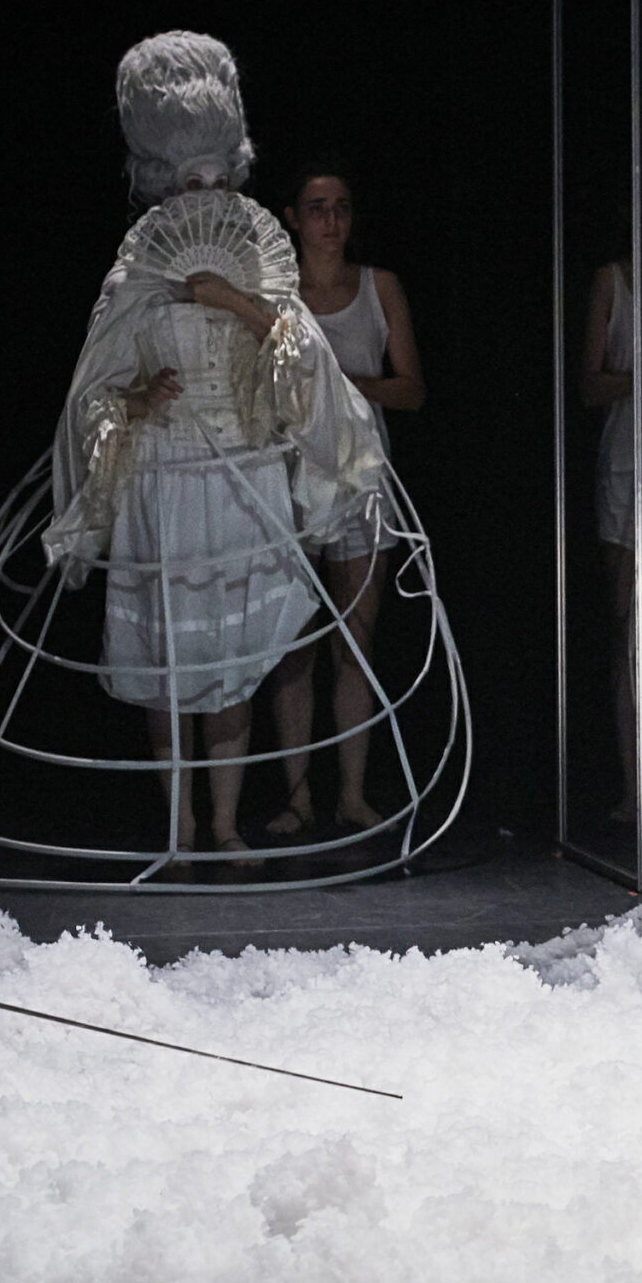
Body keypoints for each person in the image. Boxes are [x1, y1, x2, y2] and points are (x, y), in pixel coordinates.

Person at [41, 33, 385, 870]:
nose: (200, 190)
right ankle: (180, 829)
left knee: (230, 661)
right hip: (164, 479)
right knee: (169, 660)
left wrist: (232, 299)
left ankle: (224, 824)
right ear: (160, 174)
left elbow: (302, 360)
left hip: (242, 475)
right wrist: (136, 399)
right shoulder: (138, 264)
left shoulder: (258, 251)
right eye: (183, 176)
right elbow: (94, 390)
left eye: (211, 173)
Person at [265, 162, 422, 838]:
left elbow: (411, 388)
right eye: (317, 208)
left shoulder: (378, 286)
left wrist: (345, 386)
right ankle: (299, 797)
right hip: (292, 482)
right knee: (294, 644)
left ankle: (352, 795)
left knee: (355, 639)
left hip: (359, 479)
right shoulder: (276, 294)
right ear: (294, 218)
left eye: (342, 208)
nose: (331, 221)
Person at [579, 228, 636, 820]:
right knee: (627, 628)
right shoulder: (612, 281)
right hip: (626, 466)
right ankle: (633, 785)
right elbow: (591, 382)